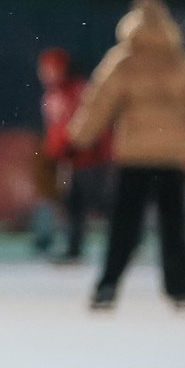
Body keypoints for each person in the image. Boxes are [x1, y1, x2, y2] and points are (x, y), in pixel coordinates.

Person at [67, 0, 185, 311]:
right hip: (172, 157)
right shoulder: (179, 61)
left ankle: (108, 285)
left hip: (134, 157)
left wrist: (77, 139)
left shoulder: (123, 59)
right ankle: (183, 290)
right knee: (174, 228)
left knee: (124, 226)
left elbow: (98, 102)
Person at [39, 46, 111, 264]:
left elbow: (91, 122)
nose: (45, 73)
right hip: (71, 158)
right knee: (74, 204)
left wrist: (83, 145)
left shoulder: (79, 89)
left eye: (51, 68)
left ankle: (127, 240)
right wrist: (55, 152)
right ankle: (74, 248)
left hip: (90, 157)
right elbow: (55, 129)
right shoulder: (52, 95)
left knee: (100, 202)